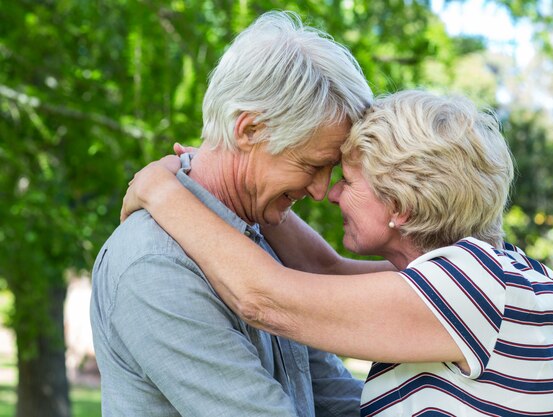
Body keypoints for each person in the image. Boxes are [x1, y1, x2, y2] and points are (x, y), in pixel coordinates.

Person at [122, 90, 553, 416]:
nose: (330, 193)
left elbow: (263, 298)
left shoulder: (469, 287)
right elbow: (324, 269)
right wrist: (231, 175)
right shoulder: (493, 272)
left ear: (400, 206)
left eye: (350, 181)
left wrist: (161, 190)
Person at [90, 11, 374, 417]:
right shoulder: (156, 267)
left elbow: (330, 394)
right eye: (313, 165)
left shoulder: (256, 237)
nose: (318, 190)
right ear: (249, 130)